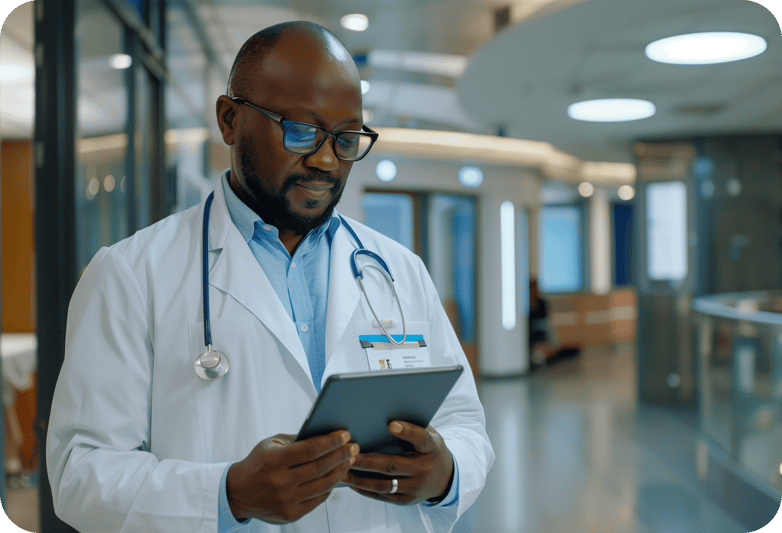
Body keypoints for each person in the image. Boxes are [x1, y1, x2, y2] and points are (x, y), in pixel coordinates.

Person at [46, 21, 494, 533]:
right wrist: (227, 494)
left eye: (346, 139)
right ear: (230, 119)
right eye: (301, 131)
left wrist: (446, 471)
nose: (326, 159)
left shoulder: (398, 271)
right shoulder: (131, 274)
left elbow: (464, 424)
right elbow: (79, 473)